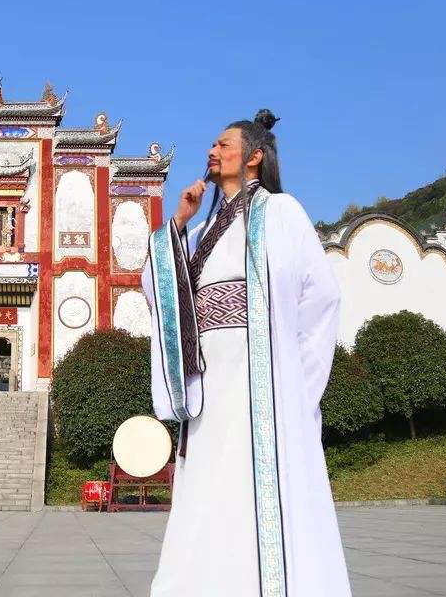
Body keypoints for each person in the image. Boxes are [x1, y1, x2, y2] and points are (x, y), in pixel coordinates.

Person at [142, 111, 351, 596]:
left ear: (254, 156)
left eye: (223, 144)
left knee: (258, 488)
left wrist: (293, 382)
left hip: (262, 379)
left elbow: (321, 298)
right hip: (209, 379)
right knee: (208, 490)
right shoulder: (200, 231)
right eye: (212, 145)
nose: (211, 151)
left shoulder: (281, 212)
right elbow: (158, 289)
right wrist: (179, 221)